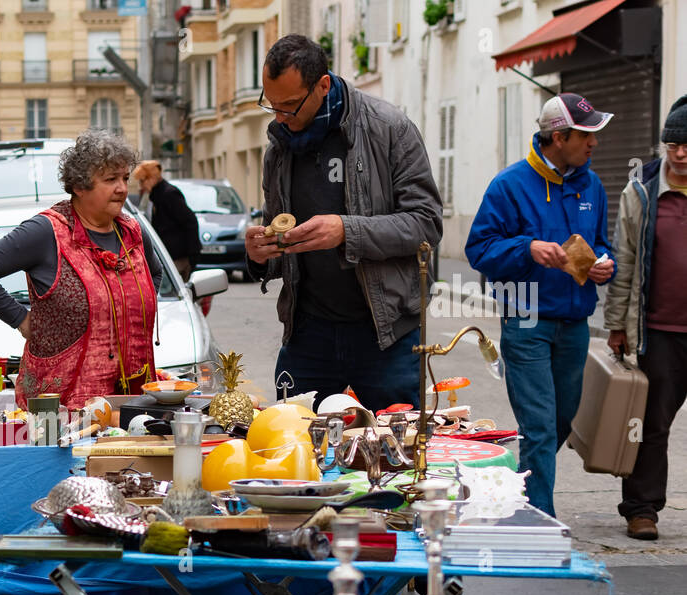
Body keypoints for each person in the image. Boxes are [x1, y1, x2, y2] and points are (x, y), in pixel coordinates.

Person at [243, 34, 442, 413]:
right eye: (272, 106)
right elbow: (279, 237)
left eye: (289, 106)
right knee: (295, 449)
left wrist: (346, 230)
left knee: (394, 454)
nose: (281, 118)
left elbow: (426, 224)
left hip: (386, 334)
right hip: (308, 333)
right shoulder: (279, 148)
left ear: (323, 85)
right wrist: (259, 254)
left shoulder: (390, 128)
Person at [466, 93, 617, 517]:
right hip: (527, 318)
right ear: (559, 136)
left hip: (574, 323)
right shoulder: (510, 185)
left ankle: (522, 493)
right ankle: (541, 519)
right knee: (540, 428)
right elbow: (479, 249)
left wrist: (607, 264)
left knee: (560, 422)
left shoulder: (592, 185)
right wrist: (527, 248)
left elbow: (603, 244)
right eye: (585, 135)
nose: (594, 144)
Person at [0, 129, 165, 409]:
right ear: (80, 186)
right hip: (62, 407)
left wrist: (137, 309)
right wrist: (21, 319)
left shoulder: (132, 232)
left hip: (133, 401)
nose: (122, 188)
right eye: (110, 179)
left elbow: (154, 274)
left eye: (125, 178)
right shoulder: (47, 232)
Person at [603, 95, 687, 541]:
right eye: (673, 144)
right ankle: (642, 509)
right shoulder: (641, 192)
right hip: (659, 332)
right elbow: (625, 262)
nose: (680, 153)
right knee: (651, 424)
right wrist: (617, 325)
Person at [132, 160, 202, 281]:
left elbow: (190, 222)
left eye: (143, 181)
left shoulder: (168, 194)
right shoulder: (157, 195)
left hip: (177, 258)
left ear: (152, 178)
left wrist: (193, 255)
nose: (142, 185)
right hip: (169, 256)